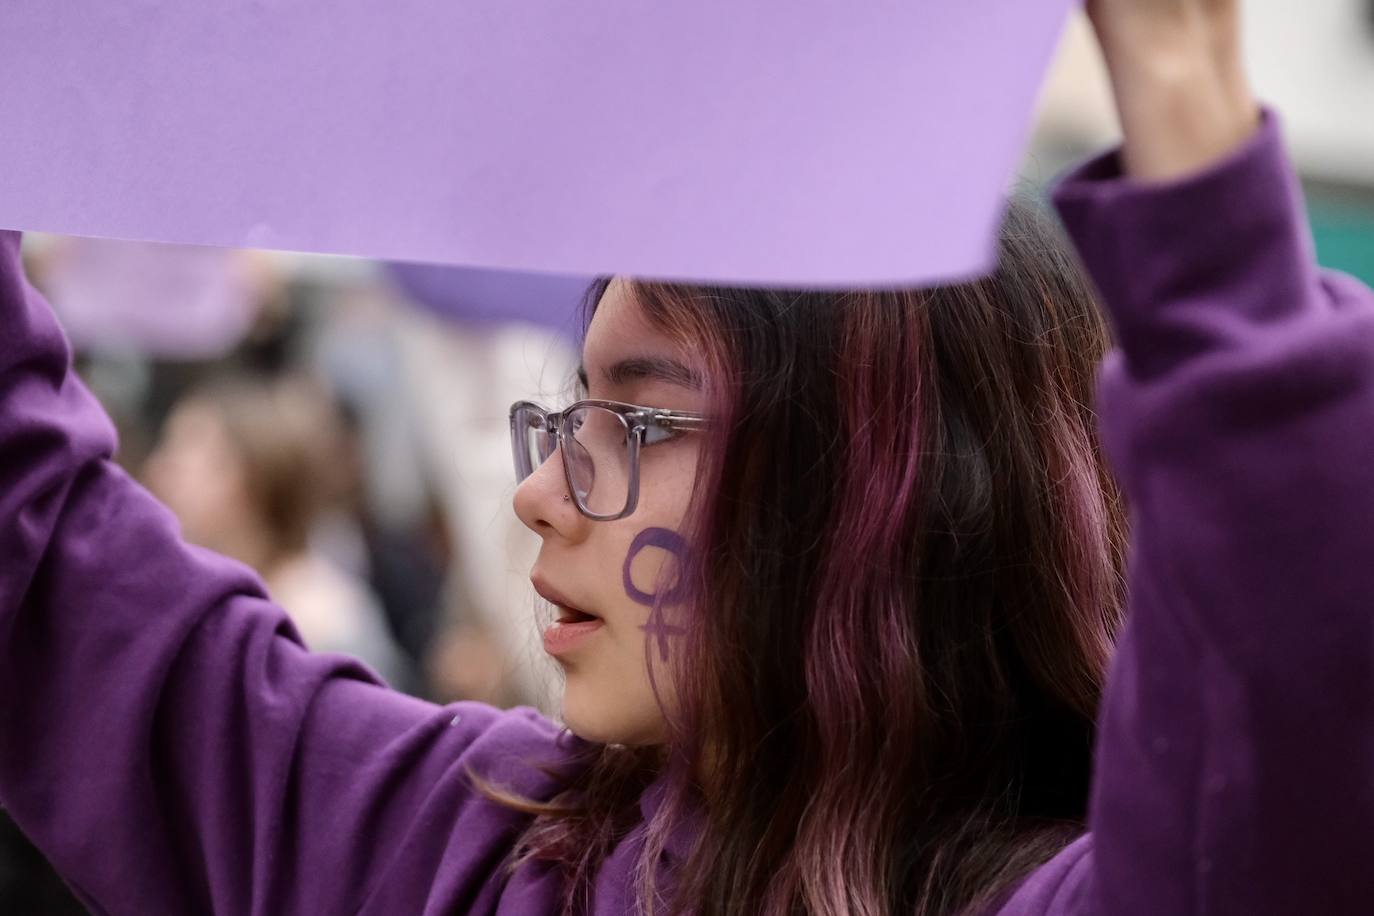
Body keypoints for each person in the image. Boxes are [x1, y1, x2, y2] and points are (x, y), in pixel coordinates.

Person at [0, 2, 1370, 915]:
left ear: (884, 493)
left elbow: (1278, 742)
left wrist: (1193, 153)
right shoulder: (453, 840)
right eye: (565, 414)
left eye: (639, 423)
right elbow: (45, 553)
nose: (539, 494)